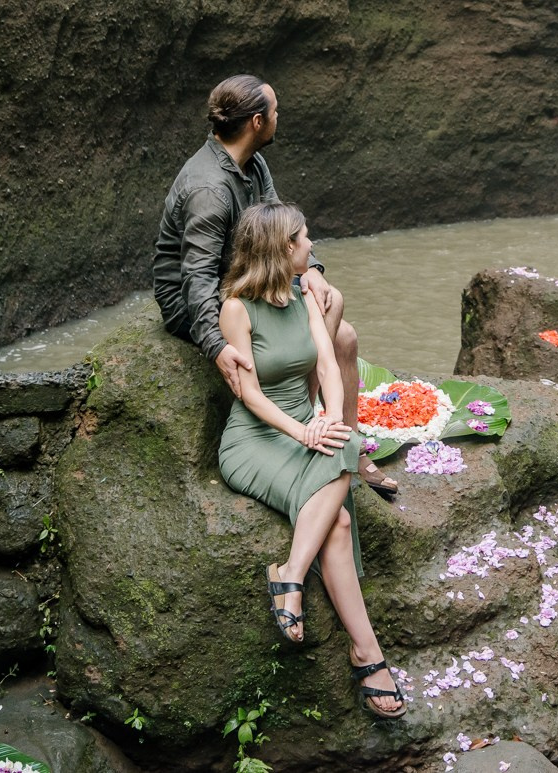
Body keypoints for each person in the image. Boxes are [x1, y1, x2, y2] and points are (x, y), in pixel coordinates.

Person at [150, 74, 397, 497]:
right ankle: (313, 428)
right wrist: (215, 345)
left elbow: (281, 225)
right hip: (202, 297)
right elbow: (196, 279)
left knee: (338, 318)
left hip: (249, 273)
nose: (281, 117)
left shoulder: (252, 162)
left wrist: (312, 268)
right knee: (340, 332)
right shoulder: (210, 189)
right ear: (258, 122)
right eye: (277, 111)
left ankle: (341, 439)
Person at [215, 202, 406, 721]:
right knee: (339, 499)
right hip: (257, 438)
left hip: (307, 424)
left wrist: (324, 413)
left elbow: (326, 359)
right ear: (283, 248)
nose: (311, 245)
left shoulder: (302, 294)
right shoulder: (236, 308)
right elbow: (250, 395)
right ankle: (367, 655)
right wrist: (303, 430)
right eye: (305, 238)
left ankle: (294, 577)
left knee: (342, 468)